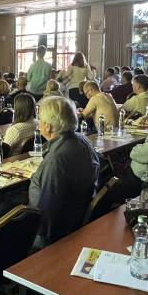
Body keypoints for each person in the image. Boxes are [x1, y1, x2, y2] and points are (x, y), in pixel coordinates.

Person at [29, 96, 100, 246]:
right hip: (77, 213)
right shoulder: (83, 140)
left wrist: (36, 246)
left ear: (47, 126)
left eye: (39, 119)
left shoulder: (56, 159)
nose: (38, 123)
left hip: (56, 230)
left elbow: (48, 210)